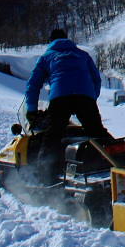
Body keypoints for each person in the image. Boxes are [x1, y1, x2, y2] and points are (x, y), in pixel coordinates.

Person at [24, 29, 112, 182]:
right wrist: (91, 98)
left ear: (50, 41)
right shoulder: (83, 55)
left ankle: (44, 178)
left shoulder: (46, 57)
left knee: (52, 136)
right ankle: (114, 163)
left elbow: (32, 85)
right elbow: (96, 79)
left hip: (60, 98)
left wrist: (31, 111)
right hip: (85, 97)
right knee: (97, 133)